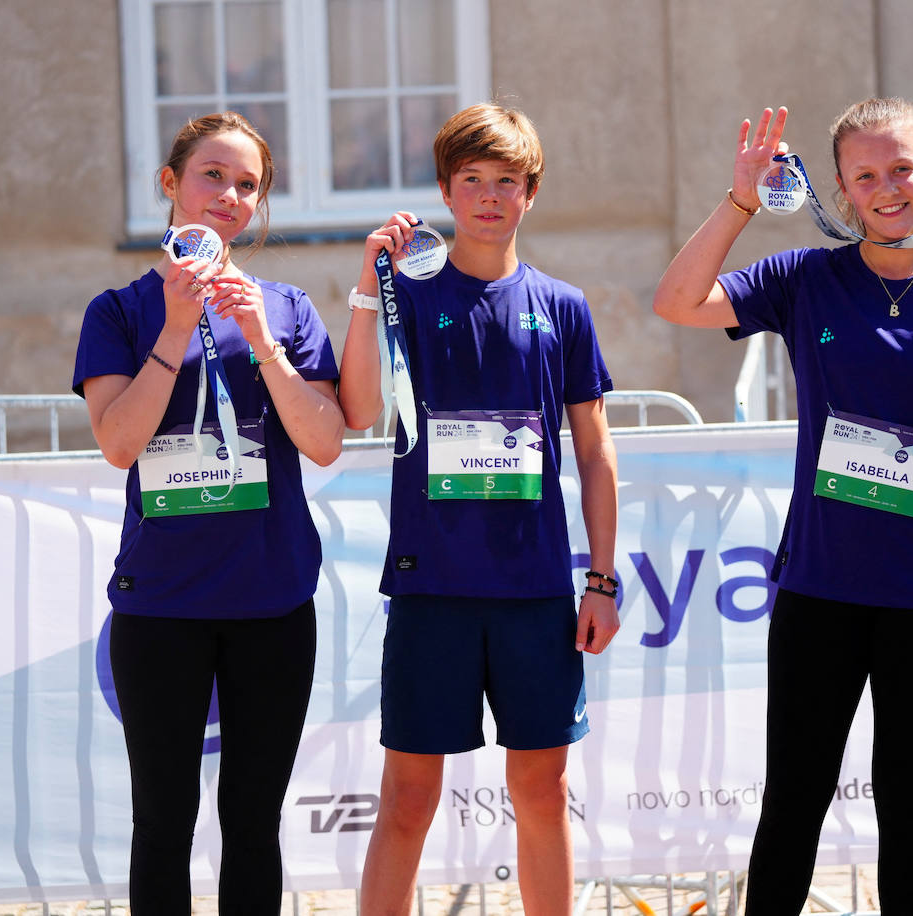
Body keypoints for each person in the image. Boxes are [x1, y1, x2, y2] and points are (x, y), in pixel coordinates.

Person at [652, 99, 913, 912]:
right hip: (820, 593)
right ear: (841, 191)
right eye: (865, 176)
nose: (888, 187)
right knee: (795, 793)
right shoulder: (806, 281)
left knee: (907, 793)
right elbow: (677, 302)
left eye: (902, 167)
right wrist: (739, 201)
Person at [338, 102, 620, 916]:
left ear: (530, 193)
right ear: (445, 190)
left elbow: (597, 453)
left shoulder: (562, 306)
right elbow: (359, 409)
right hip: (432, 591)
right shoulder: (406, 295)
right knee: (409, 798)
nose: (490, 197)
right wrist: (368, 283)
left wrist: (599, 579)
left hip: (535, 594)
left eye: (507, 181)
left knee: (541, 791)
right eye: (473, 181)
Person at [72, 111, 344, 914]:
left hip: (273, 604)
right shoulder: (116, 312)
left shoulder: (288, 307)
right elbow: (120, 443)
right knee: (163, 823)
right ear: (171, 184)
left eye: (247, 184)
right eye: (211, 176)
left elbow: (324, 440)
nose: (229, 195)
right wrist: (178, 326)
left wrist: (261, 339)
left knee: (253, 825)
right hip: (161, 608)